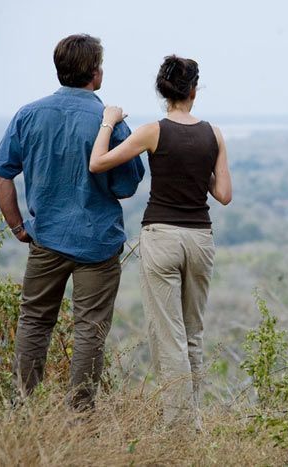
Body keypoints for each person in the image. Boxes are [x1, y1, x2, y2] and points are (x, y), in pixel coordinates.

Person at [0, 34, 145, 410]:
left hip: (45, 239)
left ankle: (22, 408)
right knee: (90, 328)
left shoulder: (29, 114)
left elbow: (0, 172)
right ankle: (80, 414)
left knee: (34, 322)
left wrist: (17, 227)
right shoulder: (109, 121)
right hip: (98, 242)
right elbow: (126, 185)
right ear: (94, 72)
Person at [89, 54, 232, 429]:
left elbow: (98, 162)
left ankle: (180, 429)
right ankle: (193, 421)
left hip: (162, 237)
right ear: (194, 91)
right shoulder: (214, 134)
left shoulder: (153, 131)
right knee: (193, 333)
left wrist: (108, 121)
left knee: (169, 336)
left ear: (162, 91)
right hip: (200, 238)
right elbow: (224, 194)